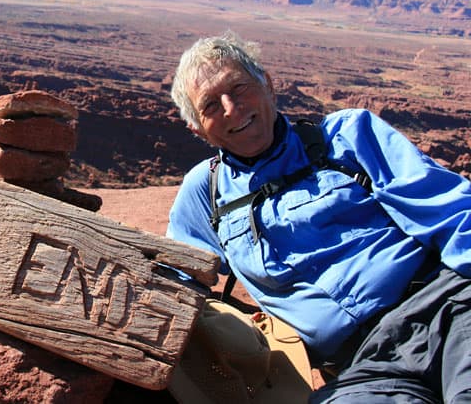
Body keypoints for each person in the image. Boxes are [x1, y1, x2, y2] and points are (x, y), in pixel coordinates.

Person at [166, 32, 471, 402]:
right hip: (364, 367)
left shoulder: (345, 137)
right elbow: (177, 277)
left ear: (268, 85)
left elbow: (449, 208)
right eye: (210, 105)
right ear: (197, 128)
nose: (230, 107)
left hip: (447, 308)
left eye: (239, 87)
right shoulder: (205, 194)